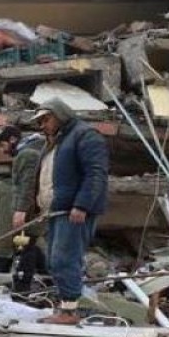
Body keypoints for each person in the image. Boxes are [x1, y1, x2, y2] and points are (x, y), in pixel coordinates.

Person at [29, 98, 109, 325]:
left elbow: (96, 173)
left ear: (60, 114)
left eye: (46, 119)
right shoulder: (57, 141)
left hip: (73, 210)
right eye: (40, 121)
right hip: (57, 211)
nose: (42, 125)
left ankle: (70, 312)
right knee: (55, 261)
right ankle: (66, 307)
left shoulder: (85, 135)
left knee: (65, 259)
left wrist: (82, 205)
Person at [0, 124, 46, 271]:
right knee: (28, 245)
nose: (3, 150)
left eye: (2, 145)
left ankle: (25, 282)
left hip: (31, 210)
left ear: (13, 139)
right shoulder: (32, 150)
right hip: (35, 209)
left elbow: (28, 184)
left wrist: (21, 211)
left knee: (26, 246)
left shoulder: (27, 154)